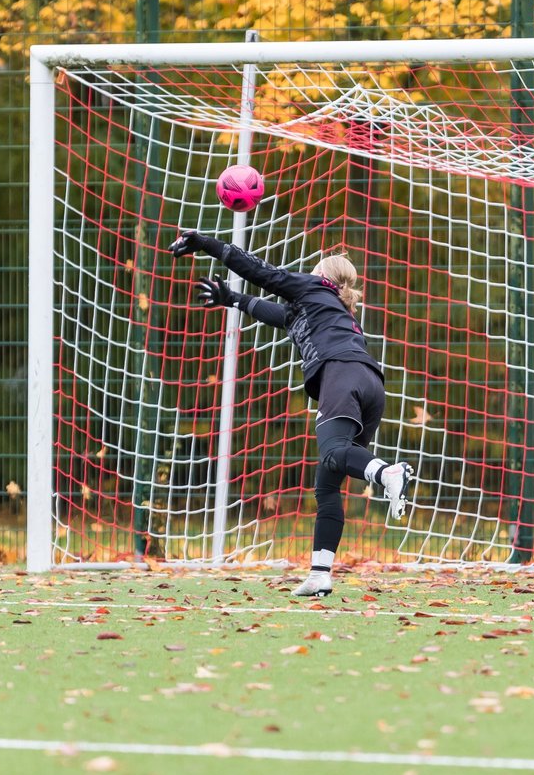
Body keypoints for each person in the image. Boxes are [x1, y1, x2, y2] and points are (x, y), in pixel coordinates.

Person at [171, 230, 414, 597]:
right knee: (329, 480)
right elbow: (277, 314)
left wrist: (208, 244)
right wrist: (232, 299)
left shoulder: (315, 288)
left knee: (334, 453)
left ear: (323, 275)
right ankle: (320, 573)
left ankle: (386, 472)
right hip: (370, 383)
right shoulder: (328, 310)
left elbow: (261, 271)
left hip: (341, 375)